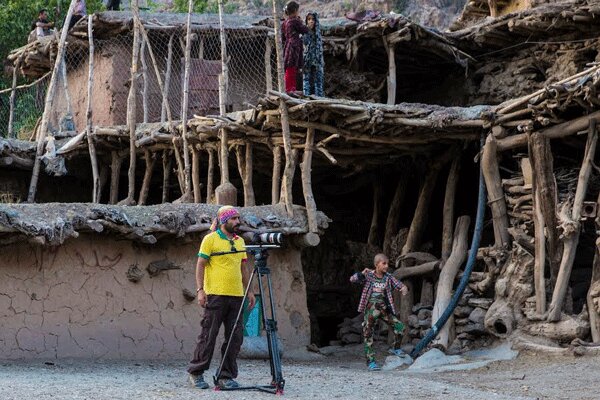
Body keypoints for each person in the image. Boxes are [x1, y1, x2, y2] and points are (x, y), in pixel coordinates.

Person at [188, 206, 256, 390]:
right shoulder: (210, 240)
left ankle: (225, 376)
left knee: (235, 337)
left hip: (236, 296)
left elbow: (243, 268)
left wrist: (249, 290)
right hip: (215, 295)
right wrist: (200, 290)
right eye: (233, 218)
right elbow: (200, 265)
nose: (237, 222)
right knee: (208, 335)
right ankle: (196, 373)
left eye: (238, 218)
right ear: (224, 220)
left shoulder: (240, 242)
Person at [350, 253, 408, 371]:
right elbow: (352, 279)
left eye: (387, 264)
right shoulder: (368, 276)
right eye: (384, 263)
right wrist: (361, 273)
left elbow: (399, 284)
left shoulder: (388, 277)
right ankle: (371, 362)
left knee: (400, 327)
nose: (386, 266)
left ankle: (395, 348)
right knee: (368, 334)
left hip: (384, 308)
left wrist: (403, 288)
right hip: (371, 308)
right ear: (377, 265)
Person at [282, 1, 309, 93]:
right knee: (292, 68)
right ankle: (290, 89)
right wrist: (304, 23)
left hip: (288, 46)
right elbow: (304, 30)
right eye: (298, 10)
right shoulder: (295, 21)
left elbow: (284, 35)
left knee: (290, 68)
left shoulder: (286, 22)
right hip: (294, 47)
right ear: (295, 10)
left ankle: (289, 88)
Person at [302, 12, 324, 97]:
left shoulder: (318, 33)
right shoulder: (304, 31)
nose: (311, 21)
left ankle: (319, 97)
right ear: (306, 21)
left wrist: (321, 60)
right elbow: (305, 43)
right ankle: (306, 97)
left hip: (317, 59)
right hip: (307, 59)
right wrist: (307, 31)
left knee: (318, 79)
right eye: (309, 19)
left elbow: (320, 47)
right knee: (306, 79)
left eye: (313, 19)